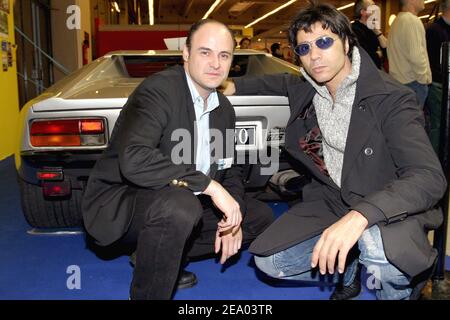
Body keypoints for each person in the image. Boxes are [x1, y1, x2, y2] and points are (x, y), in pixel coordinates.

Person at [224, 3, 446, 300]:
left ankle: (398, 291)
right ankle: (349, 264)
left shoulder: (391, 98)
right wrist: (222, 84)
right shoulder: (307, 88)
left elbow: (429, 177)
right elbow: (271, 81)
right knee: (270, 261)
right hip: (334, 201)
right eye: (304, 48)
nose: (314, 55)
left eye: (324, 42)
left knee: (378, 249)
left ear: (346, 41)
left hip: (390, 207)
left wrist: (361, 216)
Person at [81, 19, 274, 300]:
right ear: (186, 53)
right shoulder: (159, 91)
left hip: (181, 201)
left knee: (258, 217)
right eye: (205, 52)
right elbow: (134, 159)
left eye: (224, 55)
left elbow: (229, 170)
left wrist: (234, 215)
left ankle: (158, 253)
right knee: (180, 206)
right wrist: (210, 187)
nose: (215, 64)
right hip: (123, 205)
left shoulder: (224, 110)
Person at [387, 0, 432, 107]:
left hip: (398, 82)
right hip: (413, 83)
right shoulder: (411, 20)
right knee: (414, 121)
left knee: (404, 121)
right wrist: (423, 80)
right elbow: (416, 57)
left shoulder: (397, 21)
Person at [425, 0, 450, 153]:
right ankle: (434, 158)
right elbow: (431, 59)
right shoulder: (434, 30)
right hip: (438, 84)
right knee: (438, 124)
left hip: (445, 84)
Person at [351, 0, 387, 69]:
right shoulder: (354, 30)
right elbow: (367, 56)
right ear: (363, 12)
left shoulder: (373, 29)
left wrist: (377, 32)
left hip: (377, 71)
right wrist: (378, 54)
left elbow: (387, 52)